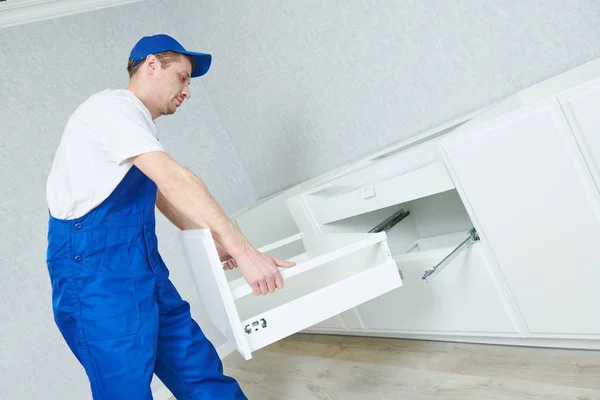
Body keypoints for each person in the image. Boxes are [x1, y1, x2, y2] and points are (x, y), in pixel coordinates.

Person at [45, 33, 296, 399]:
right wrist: (244, 251)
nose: (187, 91)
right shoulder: (111, 108)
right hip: (97, 277)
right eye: (182, 77)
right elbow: (175, 179)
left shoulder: (135, 128)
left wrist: (215, 238)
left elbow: (162, 195)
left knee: (197, 368)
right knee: (126, 389)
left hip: (141, 267)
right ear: (150, 65)